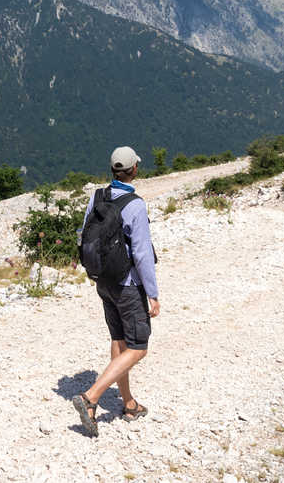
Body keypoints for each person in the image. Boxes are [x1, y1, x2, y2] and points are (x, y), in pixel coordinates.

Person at [70, 146, 159, 437]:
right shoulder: (135, 204)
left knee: (118, 340)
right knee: (138, 347)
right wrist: (152, 293)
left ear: (113, 170)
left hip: (104, 282)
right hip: (127, 285)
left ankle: (129, 403)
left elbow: (84, 234)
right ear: (134, 170)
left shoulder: (97, 196)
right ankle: (90, 398)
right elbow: (142, 254)